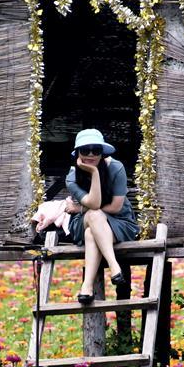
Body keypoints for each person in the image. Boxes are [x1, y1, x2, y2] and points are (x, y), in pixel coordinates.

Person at [64, 128, 140, 305]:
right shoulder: (72, 177)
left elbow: (115, 207)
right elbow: (94, 204)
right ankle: (114, 267)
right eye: (85, 150)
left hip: (120, 222)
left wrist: (79, 208)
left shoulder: (116, 167)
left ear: (102, 152)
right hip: (82, 223)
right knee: (94, 214)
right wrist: (94, 173)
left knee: (92, 229)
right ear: (78, 153)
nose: (91, 154)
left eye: (96, 150)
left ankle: (86, 286)